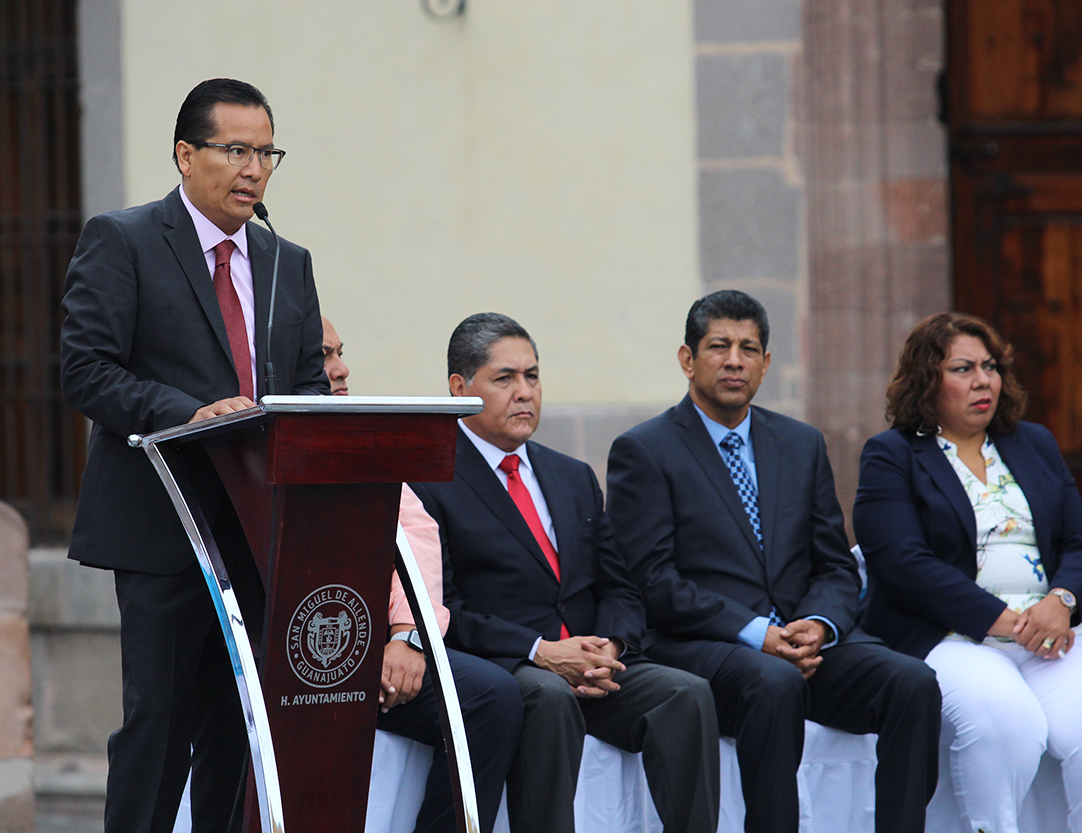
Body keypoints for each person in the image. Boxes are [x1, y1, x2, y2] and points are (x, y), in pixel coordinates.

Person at [60, 78, 328, 832]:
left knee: (240, 726)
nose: (254, 168)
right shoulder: (125, 240)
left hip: (260, 526)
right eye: (234, 149)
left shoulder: (286, 261)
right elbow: (88, 370)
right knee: (160, 722)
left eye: (266, 152)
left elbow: (306, 387)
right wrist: (189, 415)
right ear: (185, 154)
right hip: (164, 524)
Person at [606, 289, 941, 833]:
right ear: (687, 359)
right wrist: (756, 632)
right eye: (719, 346)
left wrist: (820, 624)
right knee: (774, 683)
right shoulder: (644, 450)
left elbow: (835, 565)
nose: (734, 360)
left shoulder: (801, 443)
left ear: (766, 364)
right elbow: (653, 582)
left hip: (803, 641)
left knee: (912, 682)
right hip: (707, 645)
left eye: (749, 348)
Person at [410, 313, 720, 833]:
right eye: (505, 379)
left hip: (594, 665)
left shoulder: (570, 475)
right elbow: (445, 608)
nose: (525, 392)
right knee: (548, 697)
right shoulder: (429, 478)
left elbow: (619, 584)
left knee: (686, 695)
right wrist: (541, 652)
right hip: (513, 665)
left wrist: (613, 648)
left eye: (532, 376)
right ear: (459, 388)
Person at [853, 312, 1082, 832]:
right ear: (926, 380)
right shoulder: (892, 455)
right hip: (951, 635)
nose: (984, 380)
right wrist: (1011, 623)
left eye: (990, 366)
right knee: (1010, 724)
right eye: (963, 368)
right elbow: (902, 564)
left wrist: (1062, 601)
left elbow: (1076, 541)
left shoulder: (1034, 443)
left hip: (1052, 633)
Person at [321, 317, 522, 833]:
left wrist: (408, 637)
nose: (342, 370)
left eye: (342, 352)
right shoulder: (255, 441)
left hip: (383, 644)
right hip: (297, 647)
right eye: (324, 356)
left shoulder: (361, 439)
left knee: (490, 695)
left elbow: (414, 534)